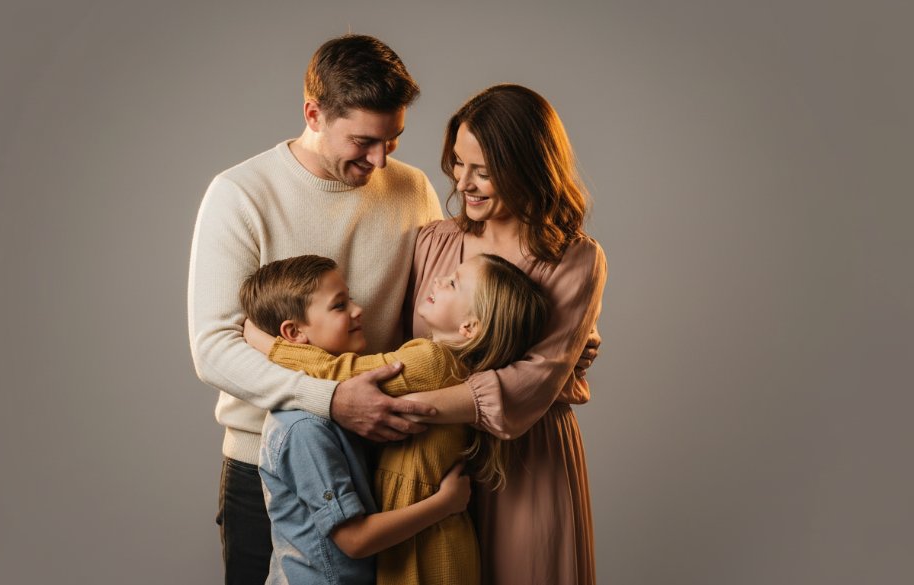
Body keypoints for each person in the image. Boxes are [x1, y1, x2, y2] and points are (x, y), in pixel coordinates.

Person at [187, 34, 443, 585]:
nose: (378, 160)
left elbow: (445, 305)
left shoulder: (413, 189)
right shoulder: (240, 194)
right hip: (268, 466)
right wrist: (332, 400)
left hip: (389, 460)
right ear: (313, 114)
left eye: (392, 141)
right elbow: (214, 349)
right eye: (363, 141)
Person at [400, 84, 608, 584]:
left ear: (527, 168)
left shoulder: (575, 258)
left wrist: (404, 407)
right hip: (432, 463)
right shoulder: (433, 242)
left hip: (526, 468)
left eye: (484, 171)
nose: (463, 183)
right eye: (458, 163)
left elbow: (532, 381)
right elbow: (401, 352)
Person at [242, 252, 550, 585]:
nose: (438, 280)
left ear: (469, 327)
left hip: (429, 550)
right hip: (413, 540)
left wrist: (265, 343)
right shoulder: (441, 365)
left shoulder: (432, 361)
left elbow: (339, 373)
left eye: (453, 283)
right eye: (340, 305)